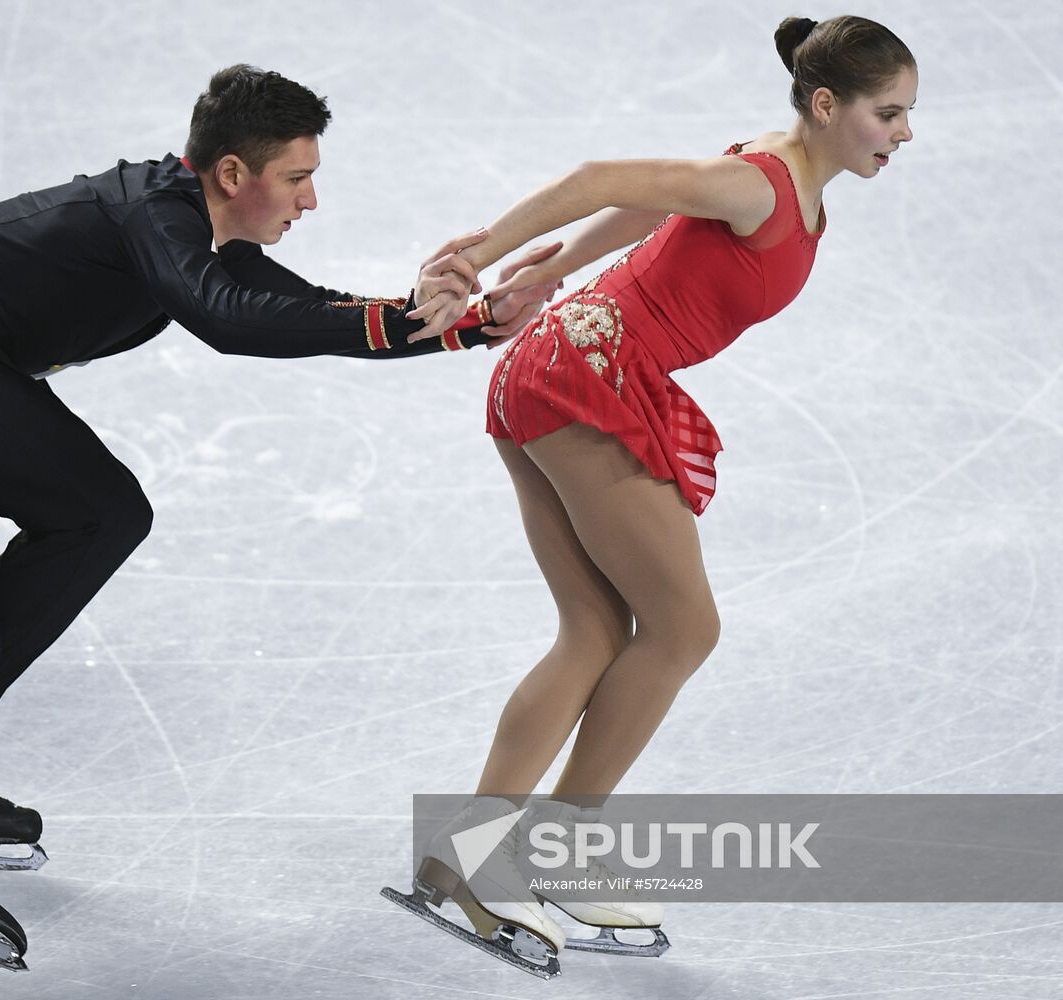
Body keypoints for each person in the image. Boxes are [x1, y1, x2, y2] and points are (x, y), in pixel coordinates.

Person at [0, 64, 558, 970]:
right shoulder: (155, 215)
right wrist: (423, 320)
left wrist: (464, 322)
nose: (311, 200)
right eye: (296, 178)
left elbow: (285, 302)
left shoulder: (189, 228)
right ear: (230, 175)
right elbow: (226, 319)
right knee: (98, 511)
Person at [391, 15, 917, 976]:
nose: (902, 133)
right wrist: (480, 255)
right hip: (589, 376)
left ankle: (467, 857)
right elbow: (599, 180)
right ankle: (538, 851)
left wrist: (547, 275)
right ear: (827, 104)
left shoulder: (773, 176)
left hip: (564, 367)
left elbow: (647, 215)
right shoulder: (758, 182)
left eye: (907, 115)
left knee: (594, 630)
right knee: (681, 628)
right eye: (888, 113)